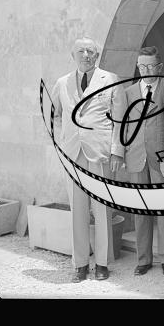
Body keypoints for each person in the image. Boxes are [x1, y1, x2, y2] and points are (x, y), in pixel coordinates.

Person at [52, 36, 126, 282]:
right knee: (78, 210)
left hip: (100, 154)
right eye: (81, 51)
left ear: (97, 55)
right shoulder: (62, 83)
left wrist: (117, 150)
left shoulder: (111, 79)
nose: (86, 55)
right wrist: (63, 142)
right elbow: (55, 116)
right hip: (73, 154)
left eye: (91, 51)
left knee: (102, 209)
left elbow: (121, 119)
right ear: (73, 55)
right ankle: (80, 263)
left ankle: (102, 263)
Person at [123, 46, 164, 277]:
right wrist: (123, 153)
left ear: (160, 67)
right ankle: (143, 259)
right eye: (142, 66)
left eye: (151, 66)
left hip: (160, 158)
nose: (146, 70)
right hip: (136, 158)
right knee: (140, 211)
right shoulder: (128, 92)